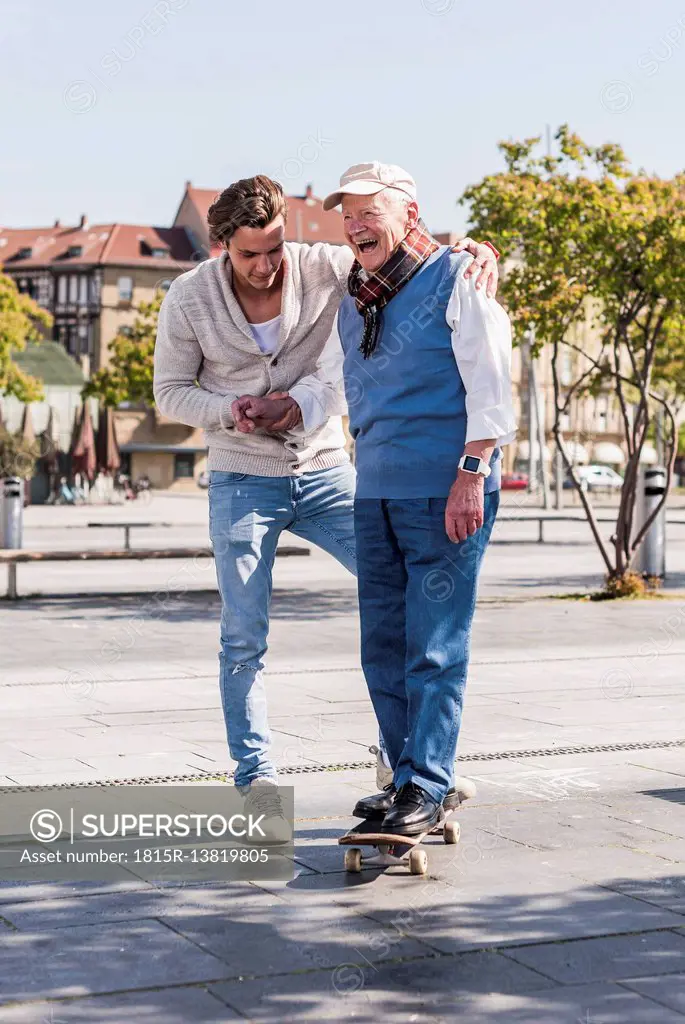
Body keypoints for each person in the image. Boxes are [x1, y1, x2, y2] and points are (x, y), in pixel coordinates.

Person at [153, 174, 499, 838]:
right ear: (220, 244)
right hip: (241, 478)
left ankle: (412, 770)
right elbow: (170, 392)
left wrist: (475, 251)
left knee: (399, 612)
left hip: (324, 469)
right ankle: (254, 780)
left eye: (274, 249)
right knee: (242, 637)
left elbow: (409, 259)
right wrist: (228, 411)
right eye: (248, 254)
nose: (264, 266)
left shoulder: (323, 265)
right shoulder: (189, 297)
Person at [311, 162, 516, 834]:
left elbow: (492, 385)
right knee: (383, 647)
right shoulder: (352, 297)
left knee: (433, 647)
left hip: (444, 492)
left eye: (371, 210)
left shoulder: (457, 277)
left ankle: (427, 785)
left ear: (408, 212)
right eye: (349, 213)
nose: (357, 223)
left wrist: (470, 473)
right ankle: (407, 779)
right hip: (374, 494)